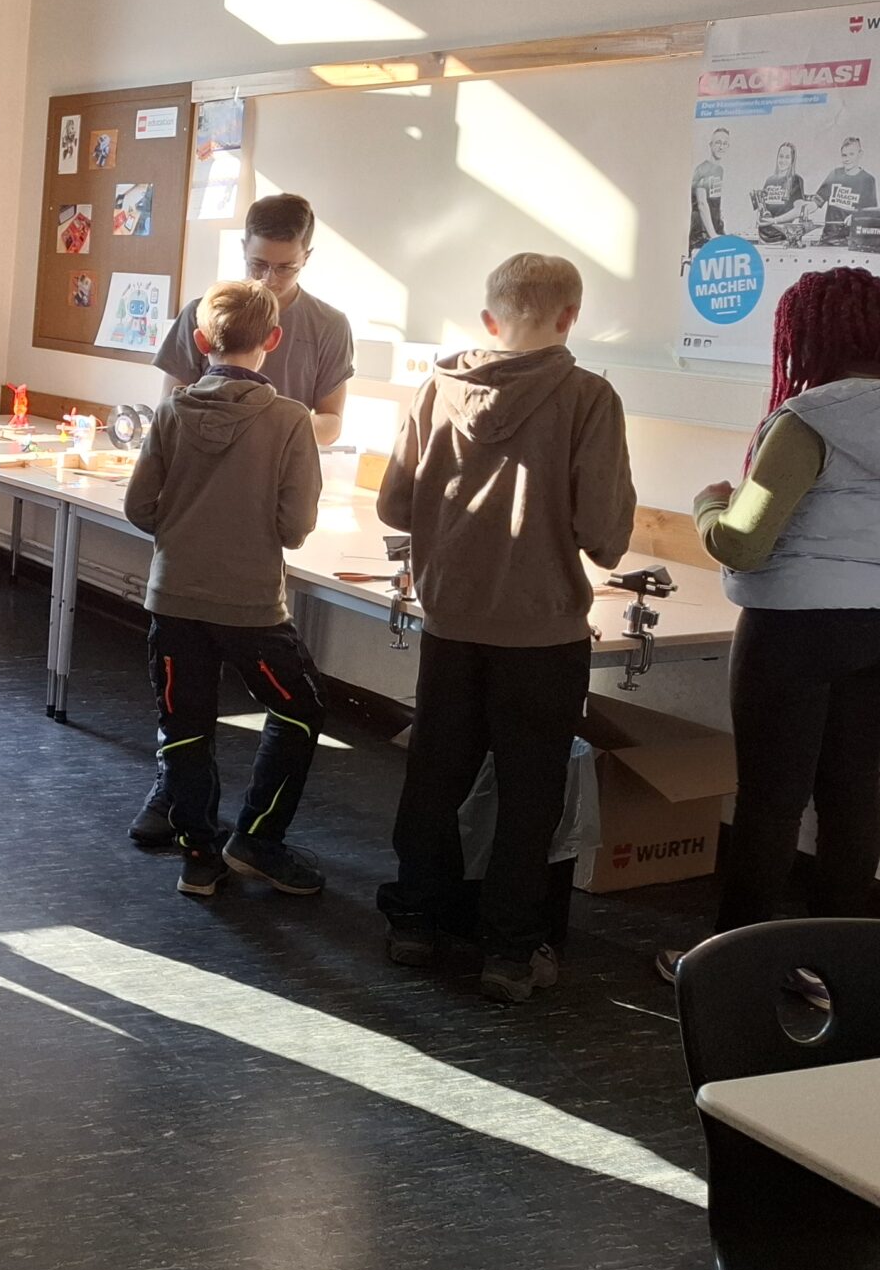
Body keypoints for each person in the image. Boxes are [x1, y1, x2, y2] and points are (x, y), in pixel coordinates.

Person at [656, 267, 880, 983]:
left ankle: (735, 970)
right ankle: (830, 971)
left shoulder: (810, 418)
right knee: (853, 790)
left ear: (802, 337)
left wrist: (707, 504)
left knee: (771, 800)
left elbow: (742, 542)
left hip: (794, 627)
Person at [374, 253, 637, 1006]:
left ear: (489, 320)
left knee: (435, 775)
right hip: (542, 632)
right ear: (570, 318)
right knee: (530, 794)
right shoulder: (590, 398)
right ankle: (510, 953)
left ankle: (415, 921)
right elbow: (603, 533)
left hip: (451, 622)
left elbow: (394, 505)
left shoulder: (435, 388)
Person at [132, 192, 351, 850]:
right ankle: (188, 804)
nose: (269, 279)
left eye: (284, 267)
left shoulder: (328, 327)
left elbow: (332, 421)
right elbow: (172, 406)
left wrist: (272, 436)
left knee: (196, 698)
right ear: (243, 251)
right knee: (194, 706)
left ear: (307, 257)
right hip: (230, 547)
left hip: (243, 525)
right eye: (258, 264)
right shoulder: (206, 311)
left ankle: (201, 840)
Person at [812, 136, 878, 247]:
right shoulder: (834, 174)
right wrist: (805, 208)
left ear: (860, 154)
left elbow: (871, 213)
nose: (847, 159)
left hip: (850, 242)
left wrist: (855, 217)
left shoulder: (867, 180)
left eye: (851, 154)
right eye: (844, 155)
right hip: (827, 240)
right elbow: (816, 202)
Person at [751, 141, 809, 245]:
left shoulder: (796, 180)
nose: (783, 160)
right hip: (763, 238)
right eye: (781, 156)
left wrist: (775, 221)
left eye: (787, 157)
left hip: (782, 239)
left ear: (792, 160)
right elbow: (763, 208)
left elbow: (798, 210)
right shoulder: (770, 180)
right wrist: (759, 217)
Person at [689, 126, 731, 248]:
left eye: (725, 143)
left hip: (714, 232)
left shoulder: (719, 170)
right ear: (710, 145)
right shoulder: (702, 169)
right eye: (718, 142)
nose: (721, 147)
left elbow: (715, 202)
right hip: (701, 236)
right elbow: (702, 203)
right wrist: (713, 235)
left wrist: (721, 230)